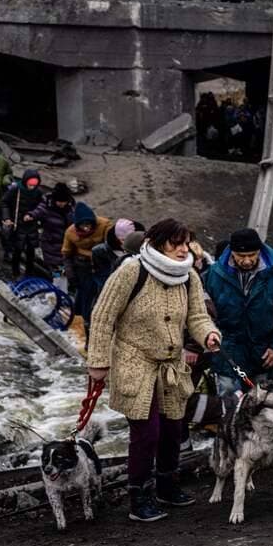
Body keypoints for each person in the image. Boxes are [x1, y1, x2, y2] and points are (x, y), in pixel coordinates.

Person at [87, 218, 220, 522]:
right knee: (146, 433)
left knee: (173, 429)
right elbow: (103, 316)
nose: (184, 249)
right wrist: (97, 362)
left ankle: (166, 486)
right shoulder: (131, 271)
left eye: (187, 243)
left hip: (172, 366)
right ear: (159, 242)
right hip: (136, 362)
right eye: (177, 243)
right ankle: (139, 497)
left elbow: (198, 316)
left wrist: (208, 335)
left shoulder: (189, 276)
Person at [204, 228, 273, 396]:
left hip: (263, 353)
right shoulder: (214, 274)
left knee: (262, 403)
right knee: (228, 401)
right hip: (227, 352)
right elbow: (201, 311)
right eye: (241, 256)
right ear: (232, 253)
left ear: (259, 251)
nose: (247, 261)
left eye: (252, 255)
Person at [62, 202, 113, 326]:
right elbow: (67, 254)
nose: (87, 228)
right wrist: (70, 274)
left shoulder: (105, 225)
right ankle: (87, 321)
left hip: (102, 265)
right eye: (83, 226)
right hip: (83, 268)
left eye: (89, 225)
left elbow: (112, 244)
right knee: (86, 296)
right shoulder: (70, 232)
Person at [1, 168, 44, 278]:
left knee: (31, 251)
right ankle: (15, 272)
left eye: (34, 185)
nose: (32, 187)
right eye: (30, 185)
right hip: (17, 225)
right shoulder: (15, 190)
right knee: (17, 250)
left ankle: (29, 273)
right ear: (25, 182)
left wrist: (33, 215)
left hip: (31, 225)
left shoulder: (38, 192)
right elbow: (5, 203)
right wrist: (6, 218)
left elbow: (42, 206)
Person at [29, 183, 74, 282]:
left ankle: (61, 284)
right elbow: (38, 211)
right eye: (59, 201)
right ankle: (58, 285)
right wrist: (31, 215)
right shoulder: (47, 206)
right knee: (57, 270)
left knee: (64, 268)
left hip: (65, 244)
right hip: (51, 244)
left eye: (64, 201)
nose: (62, 204)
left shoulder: (71, 207)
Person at [91, 218, 139, 293]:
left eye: (129, 239)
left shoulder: (141, 247)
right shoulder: (100, 251)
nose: (126, 243)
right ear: (117, 238)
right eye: (123, 239)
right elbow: (101, 275)